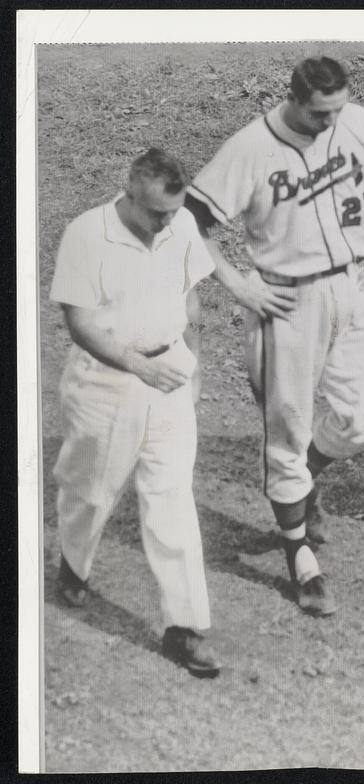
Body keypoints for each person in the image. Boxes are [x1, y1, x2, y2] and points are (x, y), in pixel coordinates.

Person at [185, 56, 364, 616]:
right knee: (287, 427)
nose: (331, 121)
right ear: (294, 99)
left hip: (356, 285)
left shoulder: (354, 120)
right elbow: (190, 220)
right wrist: (239, 285)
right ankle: (300, 557)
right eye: (320, 113)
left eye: (338, 108)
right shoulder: (249, 148)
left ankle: (301, 486)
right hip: (288, 299)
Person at [51, 148, 221, 677]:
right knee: (90, 491)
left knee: (172, 499)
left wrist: (193, 367)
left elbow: (191, 298)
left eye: (172, 212)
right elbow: (79, 322)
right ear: (128, 192)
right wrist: (136, 368)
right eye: (155, 213)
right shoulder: (86, 233)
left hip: (168, 373)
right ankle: (74, 566)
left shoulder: (182, 223)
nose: (165, 223)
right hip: (104, 383)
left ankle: (184, 627)